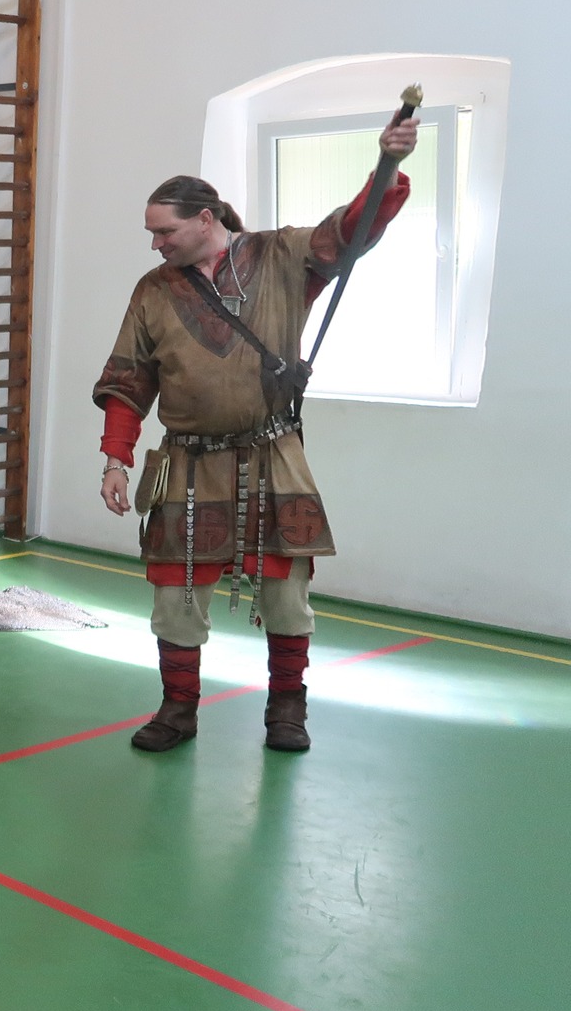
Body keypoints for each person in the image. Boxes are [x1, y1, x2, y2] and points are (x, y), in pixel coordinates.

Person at [94, 110, 417, 754]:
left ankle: (287, 713)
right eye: (152, 234)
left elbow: (352, 231)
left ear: (205, 219)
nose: (156, 244)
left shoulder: (282, 254)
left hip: (274, 457)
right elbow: (129, 381)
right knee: (176, 598)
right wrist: (115, 460)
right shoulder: (152, 291)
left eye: (164, 231)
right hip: (187, 466)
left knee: (287, 597)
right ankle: (178, 711)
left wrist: (387, 164)